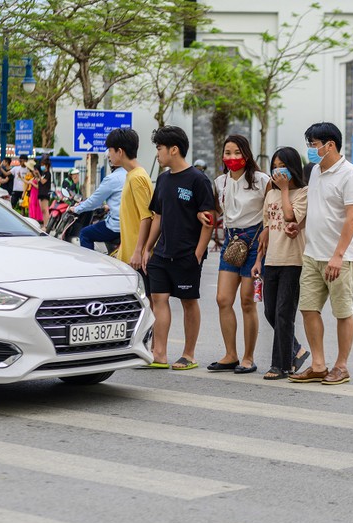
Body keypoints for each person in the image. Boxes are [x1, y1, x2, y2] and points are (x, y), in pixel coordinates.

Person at [288, 122, 353, 386]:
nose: (310, 149)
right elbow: (316, 207)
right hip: (312, 253)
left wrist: (338, 255)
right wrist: (298, 225)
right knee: (308, 309)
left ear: (329, 145)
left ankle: (341, 366)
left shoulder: (351, 174)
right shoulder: (315, 172)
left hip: (339, 258)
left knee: (342, 312)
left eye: (313, 144)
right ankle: (318, 365)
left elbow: (352, 218)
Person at [142, 125, 214, 370]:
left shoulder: (198, 179)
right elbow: (158, 217)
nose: (157, 154)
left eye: (159, 148)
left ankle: (189, 354)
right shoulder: (162, 179)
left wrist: (198, 254)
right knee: (158, 298)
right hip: (161, 254)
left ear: (174, 149)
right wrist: (147, 248)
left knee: (188, 301)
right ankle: (159, 353)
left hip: (187, 254)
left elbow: (209, 219)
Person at [202, 135, 269, 374]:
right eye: (227, 153)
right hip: (231, 240)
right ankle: (230, 354)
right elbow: (215, 210)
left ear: (247, 155)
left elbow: (271, 209)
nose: (232, 158)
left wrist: (267, 232)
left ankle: (248, 357)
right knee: (223, 299)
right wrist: (204, 214)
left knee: (247, 301)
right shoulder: (220, 181)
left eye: (237, 153)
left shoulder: (262, 180)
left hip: (255, 240)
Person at [250, 146, 310, 380]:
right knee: (270, 311)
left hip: (294, 261)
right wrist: (258, 260)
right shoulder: (271, 194)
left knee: (284, 313)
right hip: (271, 260)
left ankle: (281, 365)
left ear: (292, 167)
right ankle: (297, 351)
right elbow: (266, 229)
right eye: (274, 167)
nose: (277, 171)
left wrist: (285, 189)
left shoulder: (303, 192)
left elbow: (290, 216)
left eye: (281, 166)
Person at [105, 127, 154, 298]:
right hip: (131, 253)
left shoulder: (136, 178)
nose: (108, 155)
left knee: (145, 303)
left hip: (137, 258)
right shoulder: (132, 175)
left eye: (110, 150)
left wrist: (138, 251)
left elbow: (146, 217)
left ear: (120, 151)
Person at [73, 164, 127, 250]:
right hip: (129, 226)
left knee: (85, 234)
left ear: (120, 152)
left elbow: (94, 201)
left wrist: (76, 209)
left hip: (116, 226)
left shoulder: (113, 178)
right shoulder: (135, 174)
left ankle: (89, 262)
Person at [37, 158, 52, 229]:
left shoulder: (48, 174)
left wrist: (39, 175)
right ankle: (44, 224)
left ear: (47, 165)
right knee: (42, 210)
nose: (41, 166)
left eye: (43, 165)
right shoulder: (43, 174)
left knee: (45, 210)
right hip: (41, 193)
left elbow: (43, 181)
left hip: (45, 193)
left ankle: (46, 225)